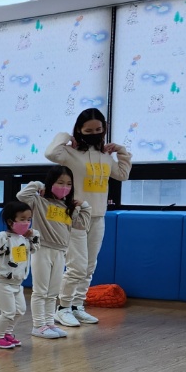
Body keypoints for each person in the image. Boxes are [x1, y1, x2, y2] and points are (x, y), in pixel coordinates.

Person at [45, 108, 132, 327]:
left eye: (98, 129)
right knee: (76, 266)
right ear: (80, 130)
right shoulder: (70, 153)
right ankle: (63, 308)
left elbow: (122, 174)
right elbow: (50, 153)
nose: (94, 134)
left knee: (89, 266)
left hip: (98, 216)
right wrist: (66, 137)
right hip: (74, 216)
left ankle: (77, 306)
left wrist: (121, 151)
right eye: (88, 130)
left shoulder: (105, 156)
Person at [18, 167, 92, 339]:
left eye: (68, 184)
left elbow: (83, 225)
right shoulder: (39, 201)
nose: (64, 187)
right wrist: (38, 184)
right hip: (42, 250)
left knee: (52, 293)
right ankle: (38, 326)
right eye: (60, 183)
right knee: (40, 291)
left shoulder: (68, 207)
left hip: (60, 252)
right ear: (51, 183)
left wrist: (85, 206)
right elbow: (22, 196)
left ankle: (49, 323)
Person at [0, 200, 34, 350]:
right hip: (2, 282)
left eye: (29, 219)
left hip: (17, 283)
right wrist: (0, 239)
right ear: (10, 221)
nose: (26, 223)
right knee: (8, 312)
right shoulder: (2, 237)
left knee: (20, 310)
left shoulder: (24, 238)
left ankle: (7, 333)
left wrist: (31, 237)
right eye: (22, 219)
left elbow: (34, 249)